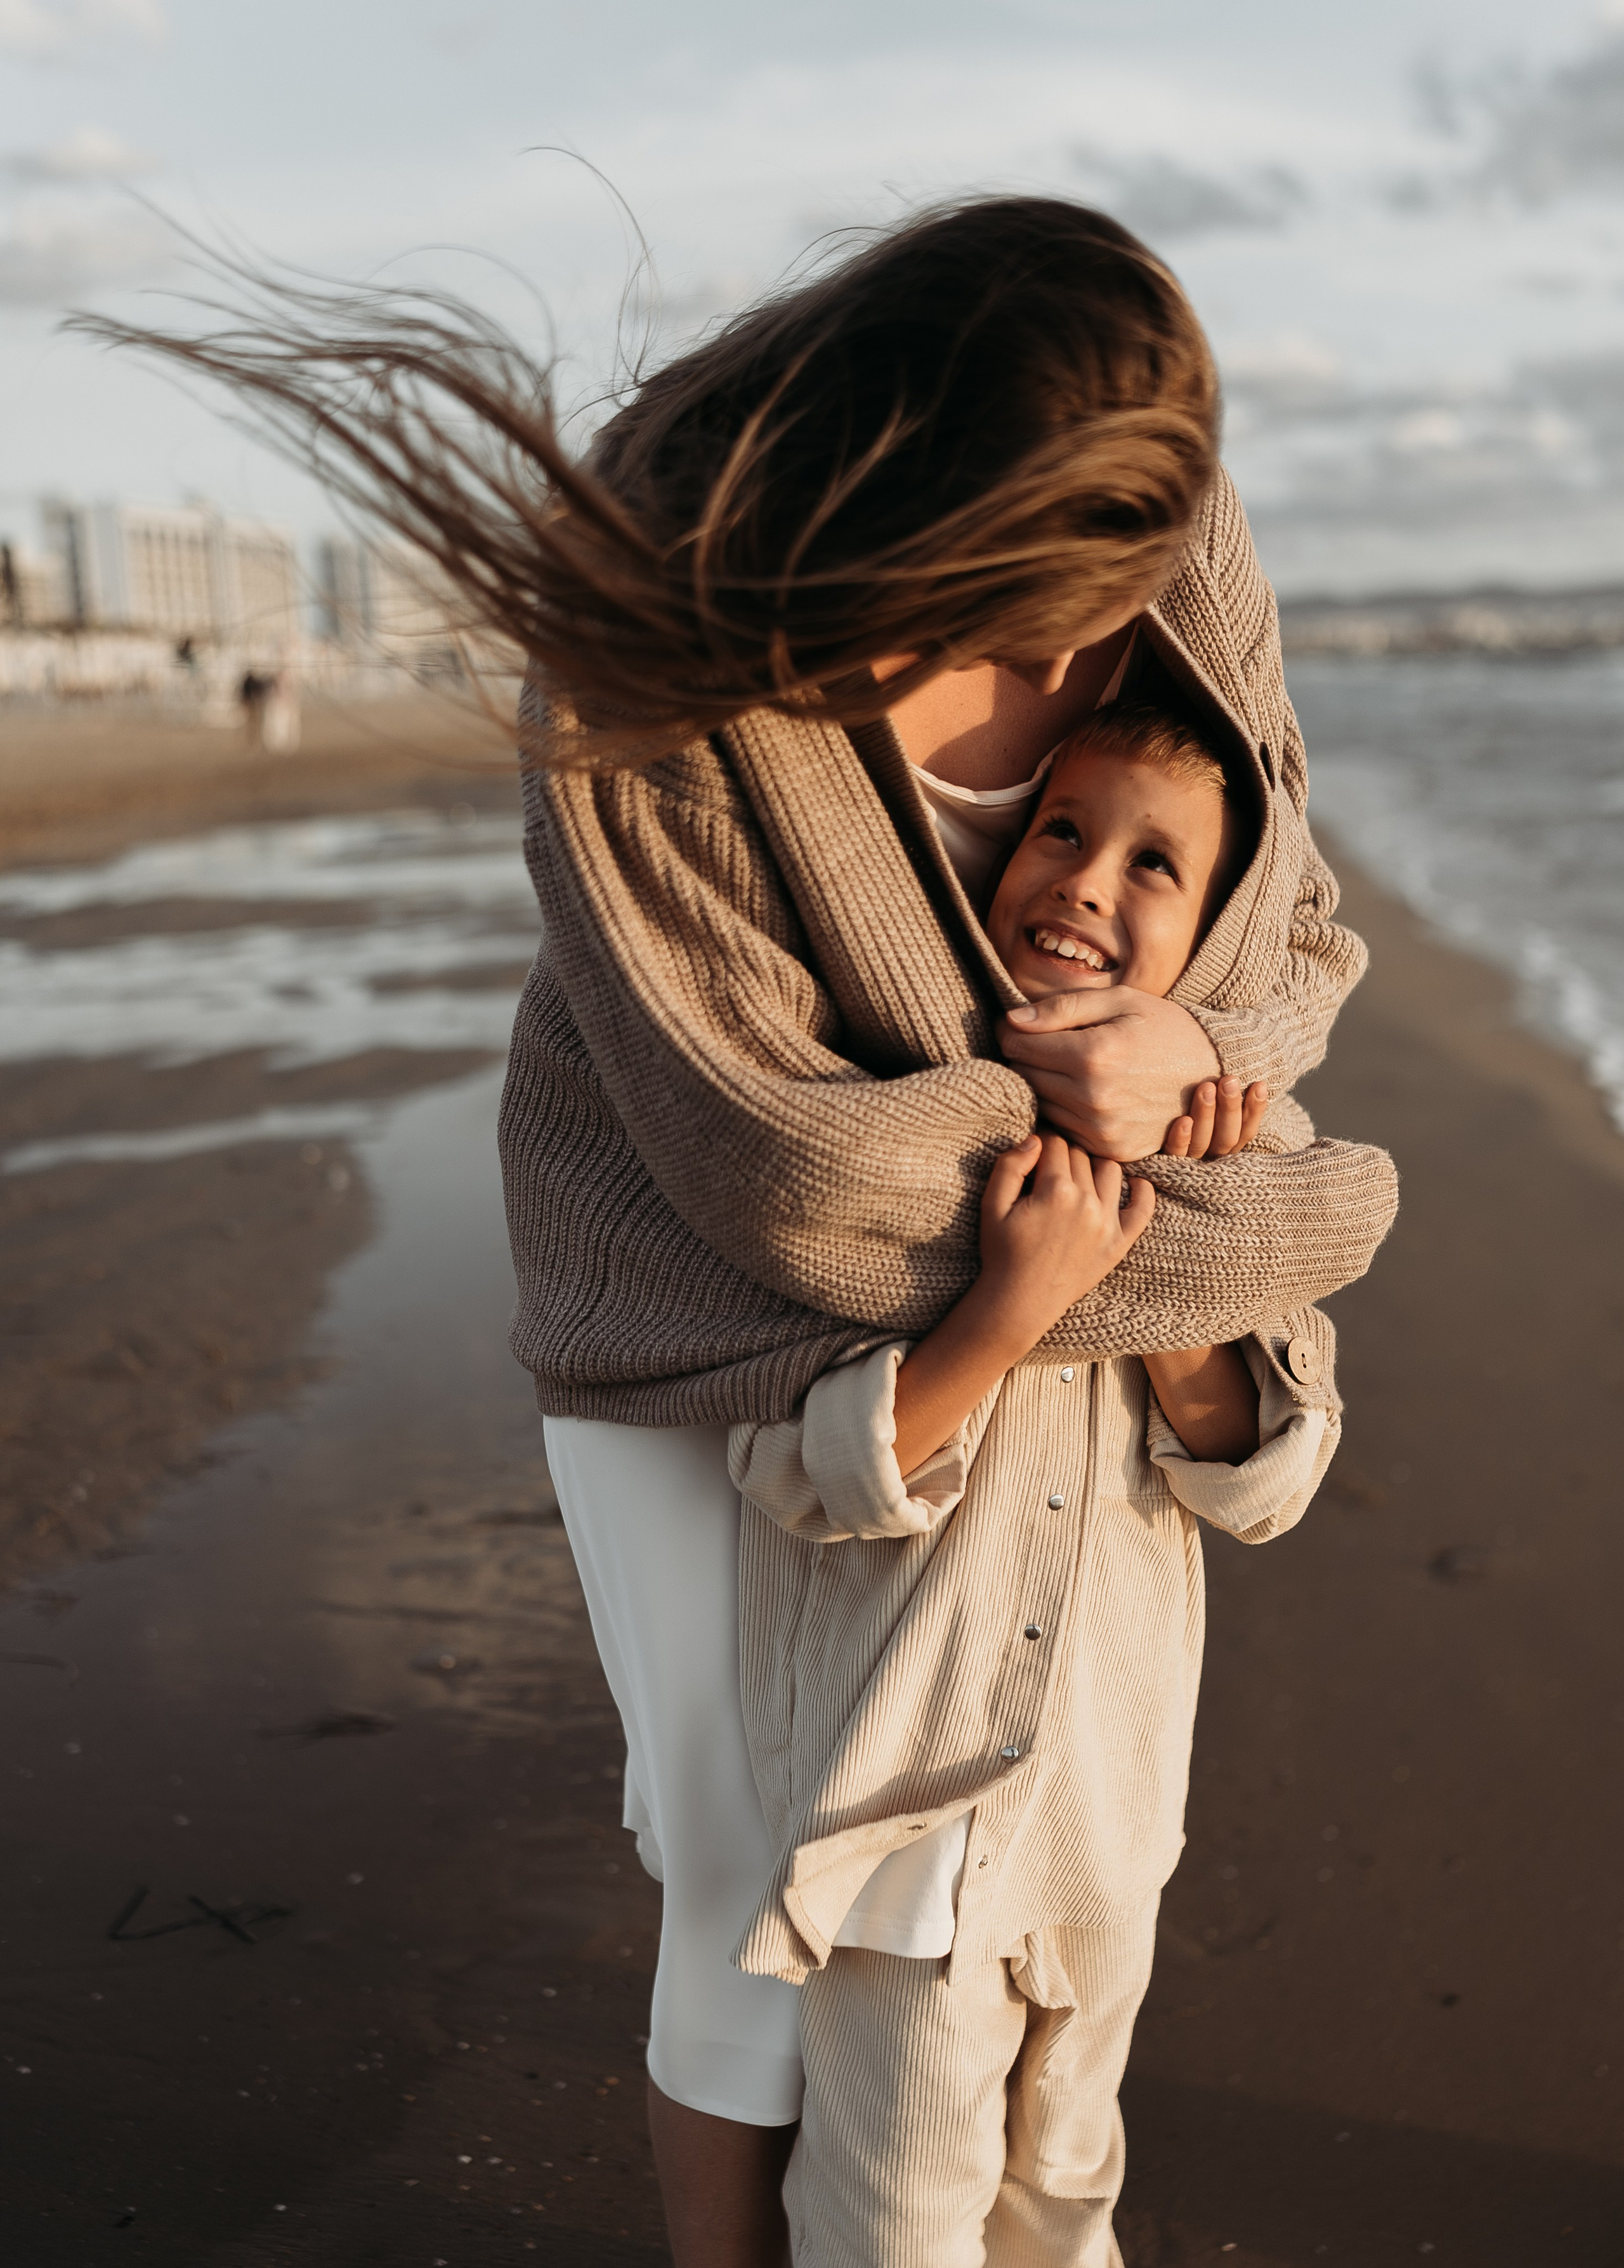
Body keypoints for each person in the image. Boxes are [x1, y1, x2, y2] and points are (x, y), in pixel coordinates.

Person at [84, 193, 1399, 2262]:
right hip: (700, 1307)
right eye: (1015, 615)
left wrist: (1178, 1045)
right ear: (889, 500)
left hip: (1048, 1283)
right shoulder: (661, 620)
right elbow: (792, 1171)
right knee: (743, 1871)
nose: (1073, 670)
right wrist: (1270, 1213)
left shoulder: (1151, 507)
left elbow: (1295, 923)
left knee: (994, 1926)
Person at [726, 697, 1353, 2260]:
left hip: (1101, 1822)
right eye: (1061, 828)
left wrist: (1159, 1277)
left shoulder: (1245, 1169)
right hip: (906, 1830)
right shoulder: (888, 1136)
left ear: (1211, 943)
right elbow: (798, 1480)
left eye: (1154, 864)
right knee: (896, 2220)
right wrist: (1006, 1303)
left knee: (1065, 2199)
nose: (1084, 878)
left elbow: (1263, 1482)